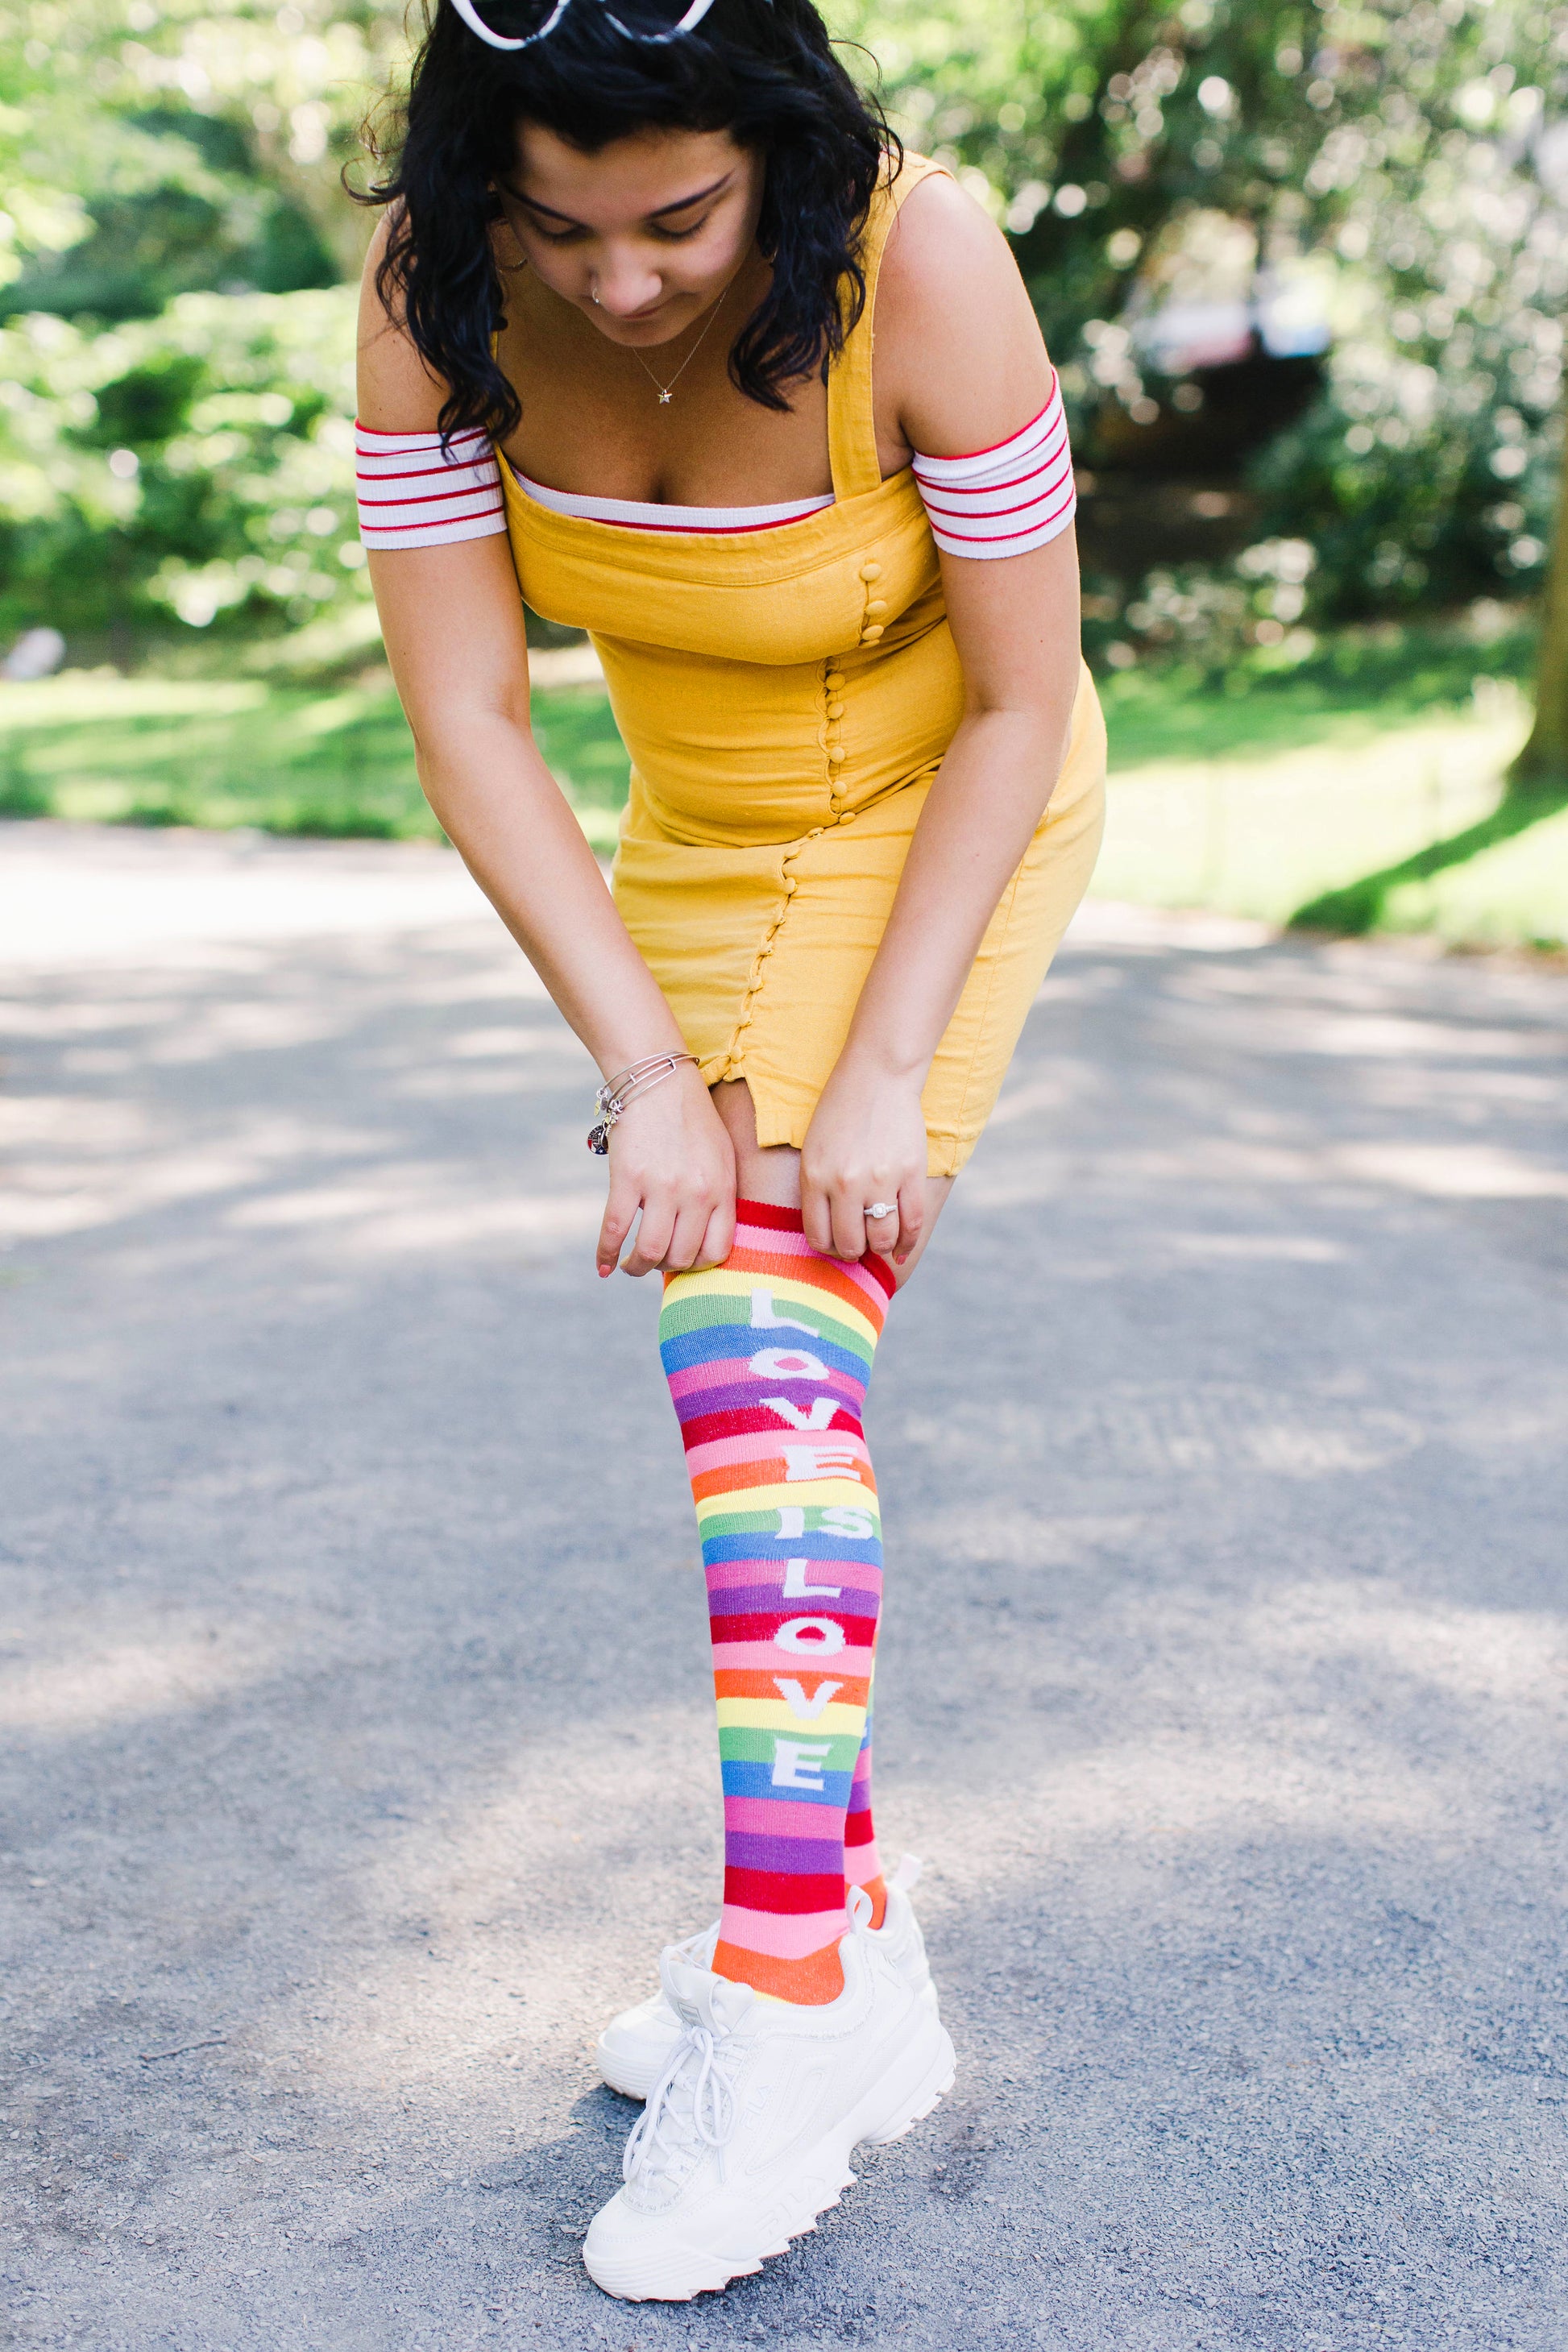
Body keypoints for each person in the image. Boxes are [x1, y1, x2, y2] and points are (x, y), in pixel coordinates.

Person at [356, 0, 1105, 2301]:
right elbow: (467, 713)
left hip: (946, 824)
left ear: (773, 147)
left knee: (755, 1369)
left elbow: (1014, 691)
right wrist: (644, 1071)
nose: (621, 281)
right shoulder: (424, 293)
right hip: (697, 853)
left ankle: (786, 1993)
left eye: (678, 216)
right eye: (560, 223)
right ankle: (847, 1944)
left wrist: (875, 1069)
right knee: (745, 1337)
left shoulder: (925, 257)